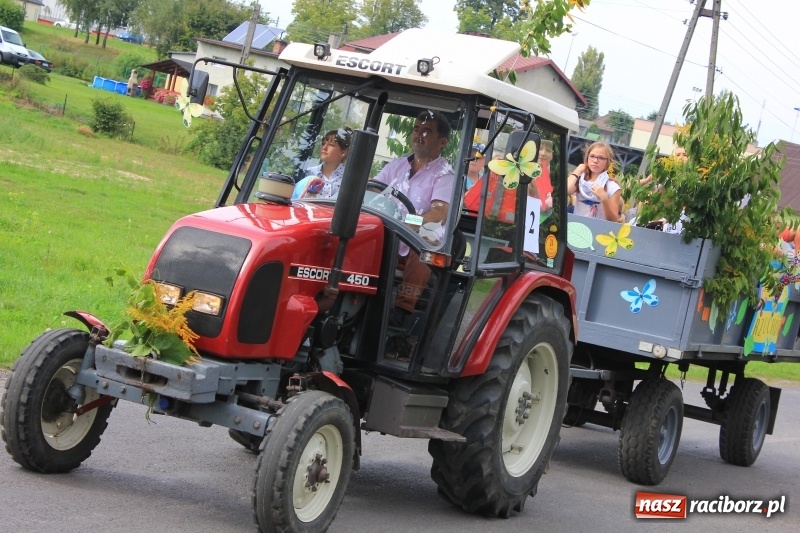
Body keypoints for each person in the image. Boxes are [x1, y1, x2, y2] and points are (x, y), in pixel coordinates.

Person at [372, 110, 455, 338]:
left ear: (442, 142)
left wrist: (407, 224)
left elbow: (438, 212)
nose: (419, 135)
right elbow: (372, 189)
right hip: (388, 230)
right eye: (417, 129)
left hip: (418, 237)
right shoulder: (396, 166)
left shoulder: (445, 174)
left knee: (424, 246)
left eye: (427, 132)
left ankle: (401, 313)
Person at [568, 142, 622, 222]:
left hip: (598, 231)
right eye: (592, 156)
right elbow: (566, 190)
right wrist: (577, 171)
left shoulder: (613, 187)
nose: (595, 160)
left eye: (601, 158)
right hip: (576, 226)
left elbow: (613, 219)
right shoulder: (580, 180)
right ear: (587, 158)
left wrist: (604, 198)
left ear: (608, 162)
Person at [294, 127, 352, 199]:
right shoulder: (308, 173)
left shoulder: (349, 179)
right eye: (323, 143)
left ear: (343, 152)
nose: (324, 147)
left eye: (331, 144)